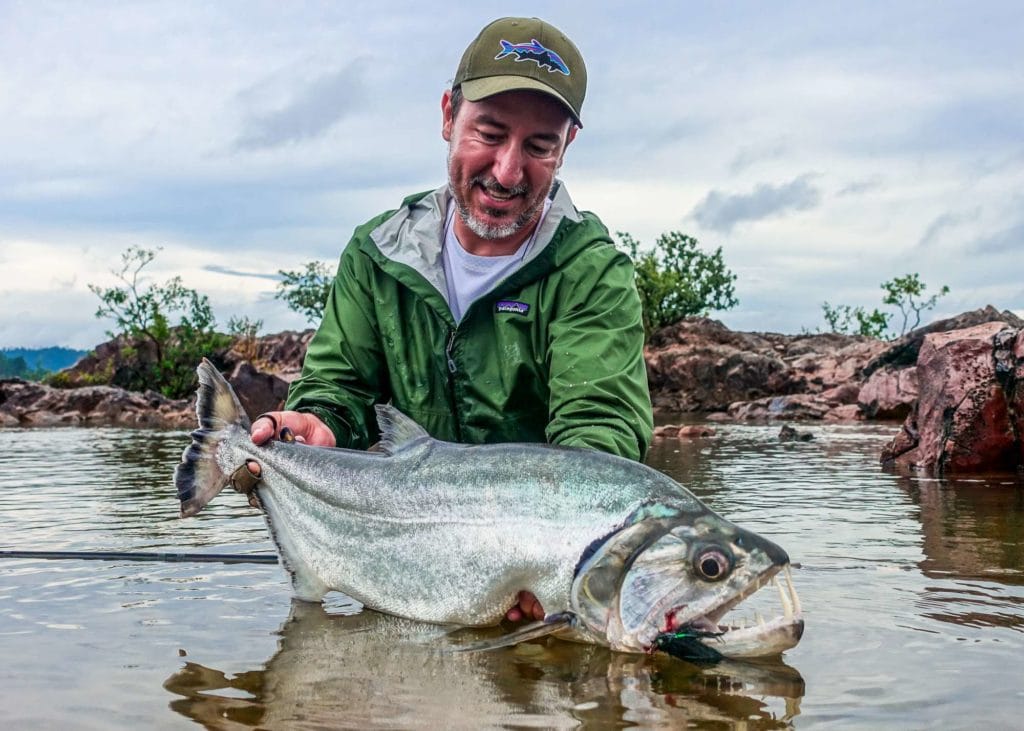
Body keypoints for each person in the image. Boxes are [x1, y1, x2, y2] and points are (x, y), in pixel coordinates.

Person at [250, 17, 653, 623]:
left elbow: (599, 434)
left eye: (539, 147)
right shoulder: (375, 254)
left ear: (567, 145)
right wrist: (318, 425)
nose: (509, 171)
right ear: (447, 116)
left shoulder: (593, 274)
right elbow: (338, 391)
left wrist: (559, 561)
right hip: (396, 555)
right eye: (489, 134)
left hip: (528, 580)